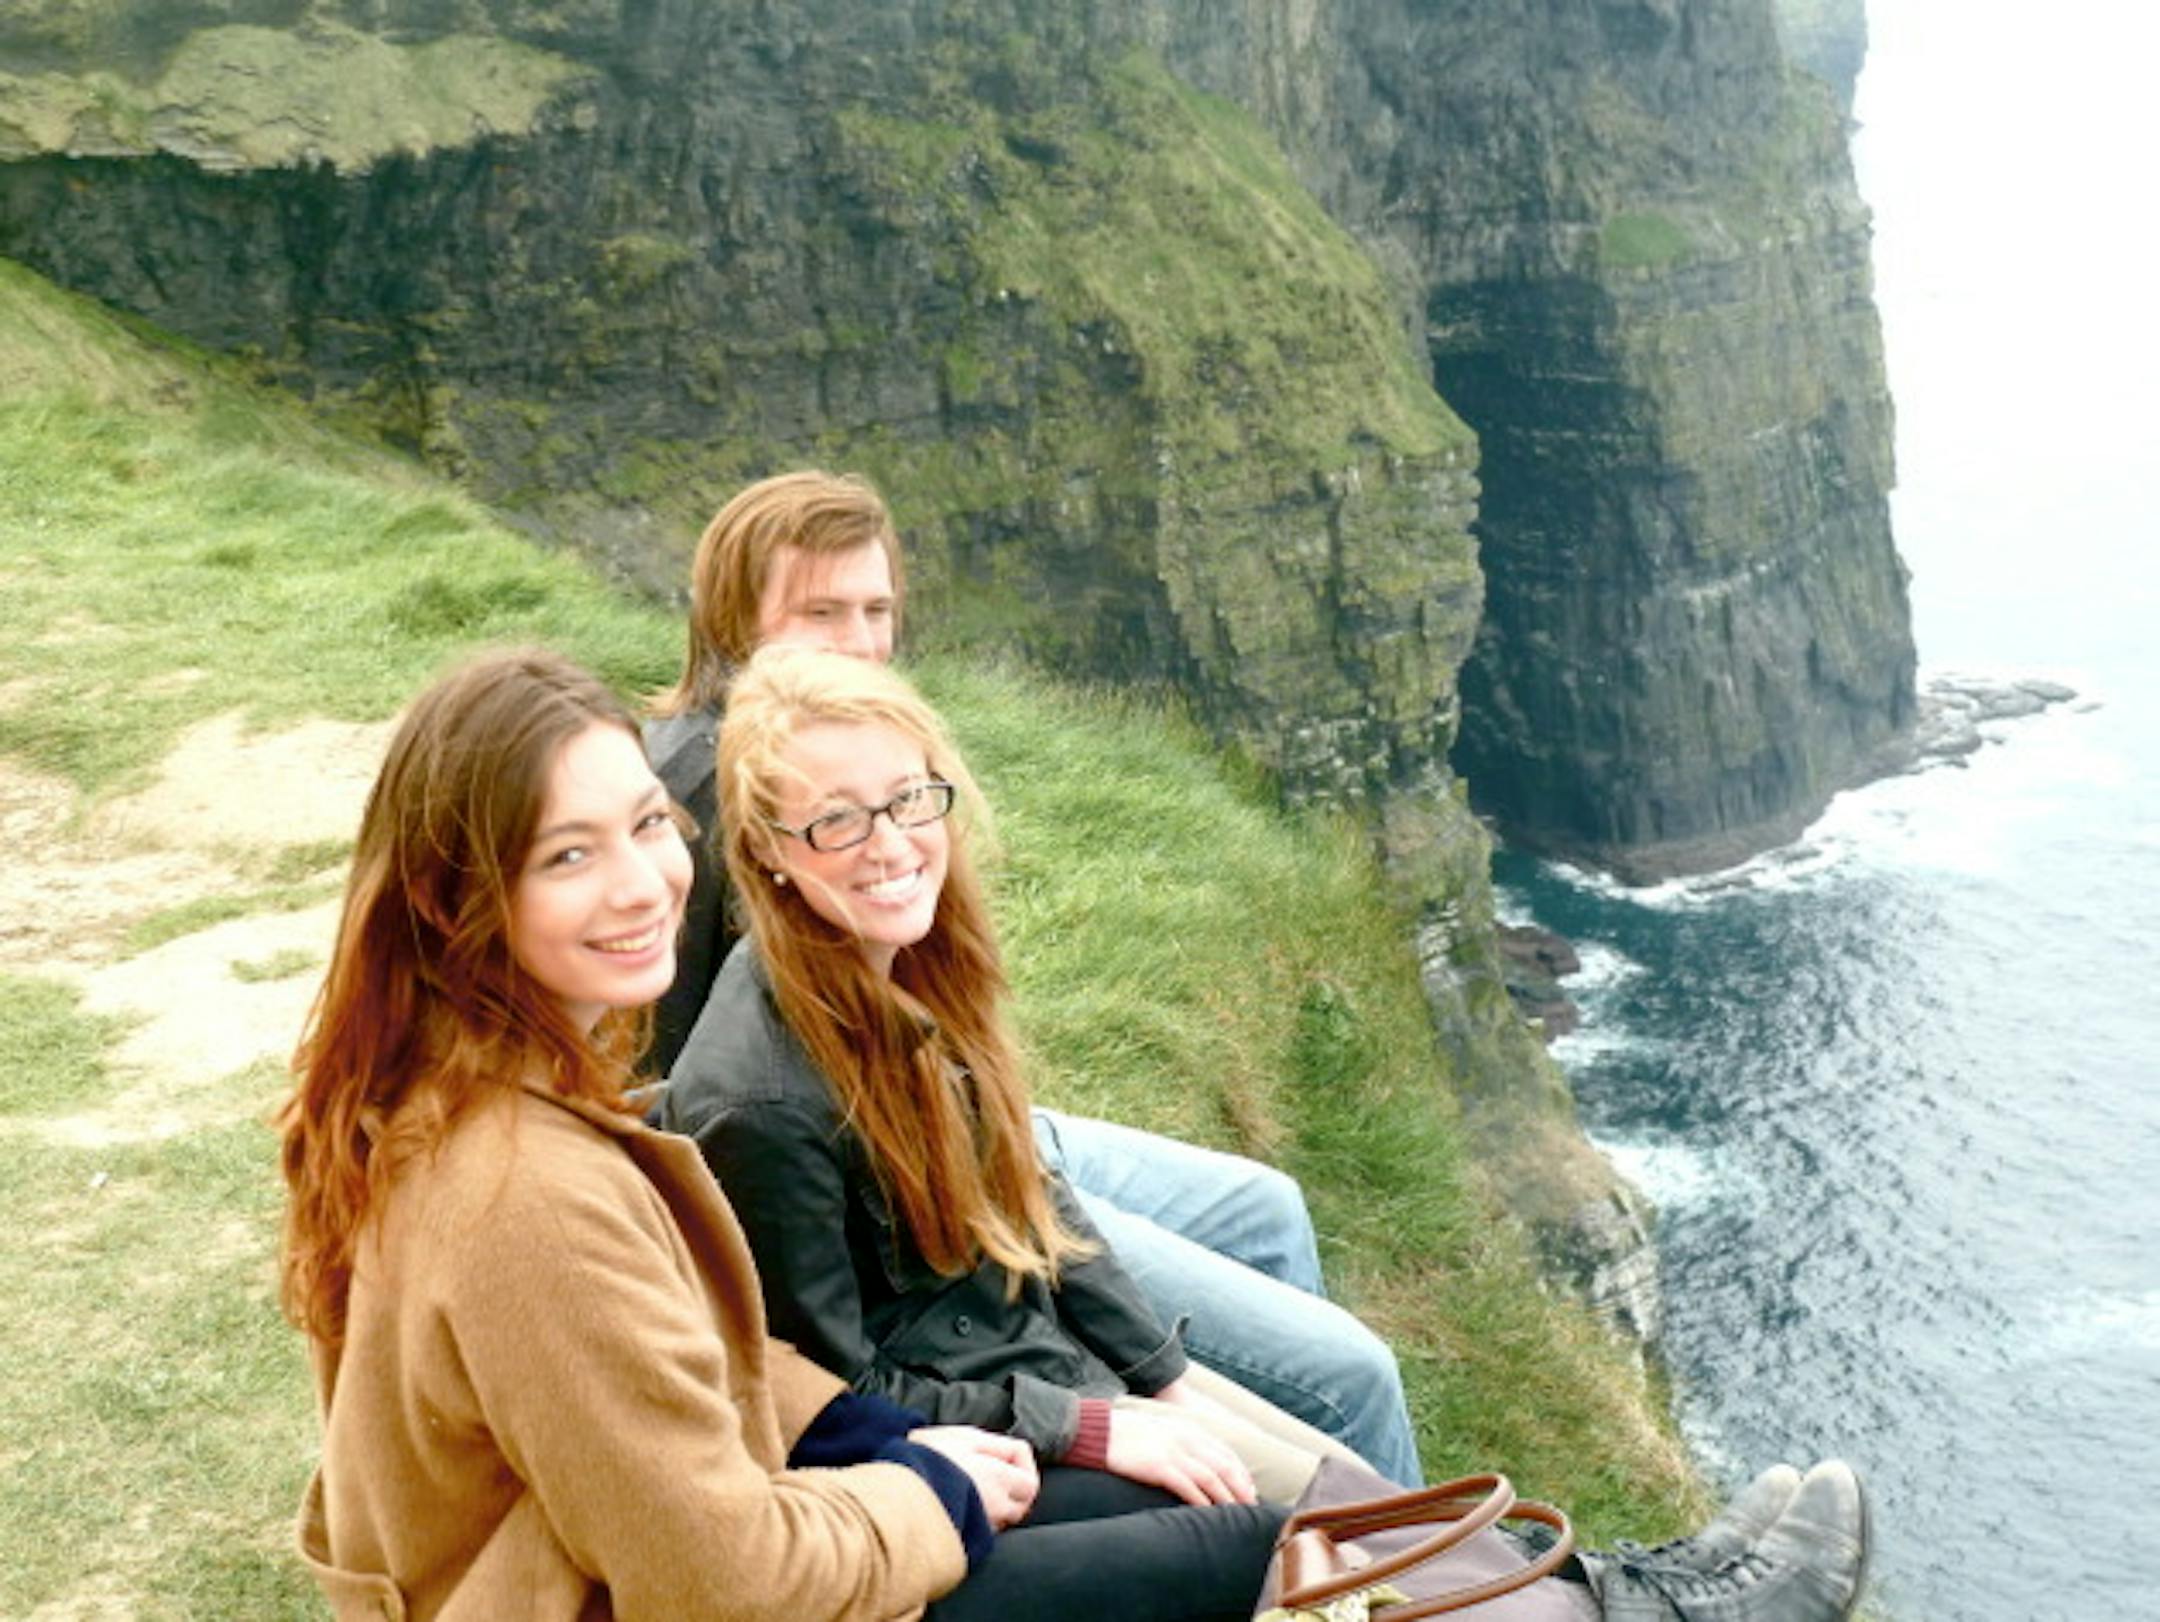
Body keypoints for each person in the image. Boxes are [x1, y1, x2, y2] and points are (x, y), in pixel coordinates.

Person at [661, 646, 1874, 1621]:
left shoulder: (915, 966)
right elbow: (838, 1396)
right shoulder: (760, 1099)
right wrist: (1099, 1421)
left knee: (1358, 1490)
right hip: (975, 1448)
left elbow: (1031, 1196)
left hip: (1029, 1370)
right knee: (1312, 1522)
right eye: (836, 821)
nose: (889, 843)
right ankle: (1649, 1606)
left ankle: (1622, 1588)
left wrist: (1162, 1368)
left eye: (907, 798)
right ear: (767, 849)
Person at [274, 647, 1286, 1622]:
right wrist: (927, 1490)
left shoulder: (457, 1089)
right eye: (568, 854)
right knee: (1246, 1552)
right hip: (629, 1588)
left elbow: (694, 1355)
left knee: (1212, 1519)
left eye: (647, 823)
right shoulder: (530, 1195)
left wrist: (867, 1432)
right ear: (449, 896)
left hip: (634, 1543)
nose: (642, 884)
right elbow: (724, 1584)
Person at [644, 468, 1422, 1485]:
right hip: (870, 1182)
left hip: (947, 1136)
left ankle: (1387, 1534)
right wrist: (1090, 1412)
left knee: (1265, 1213)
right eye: (821, 612)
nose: (860, 641)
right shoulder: (711, 810)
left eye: (877, 609)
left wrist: (1159, 1374)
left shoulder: (902, 902)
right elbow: (709, 1109)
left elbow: (1004, 1149)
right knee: (1344, 1387)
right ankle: (1369, 1538)